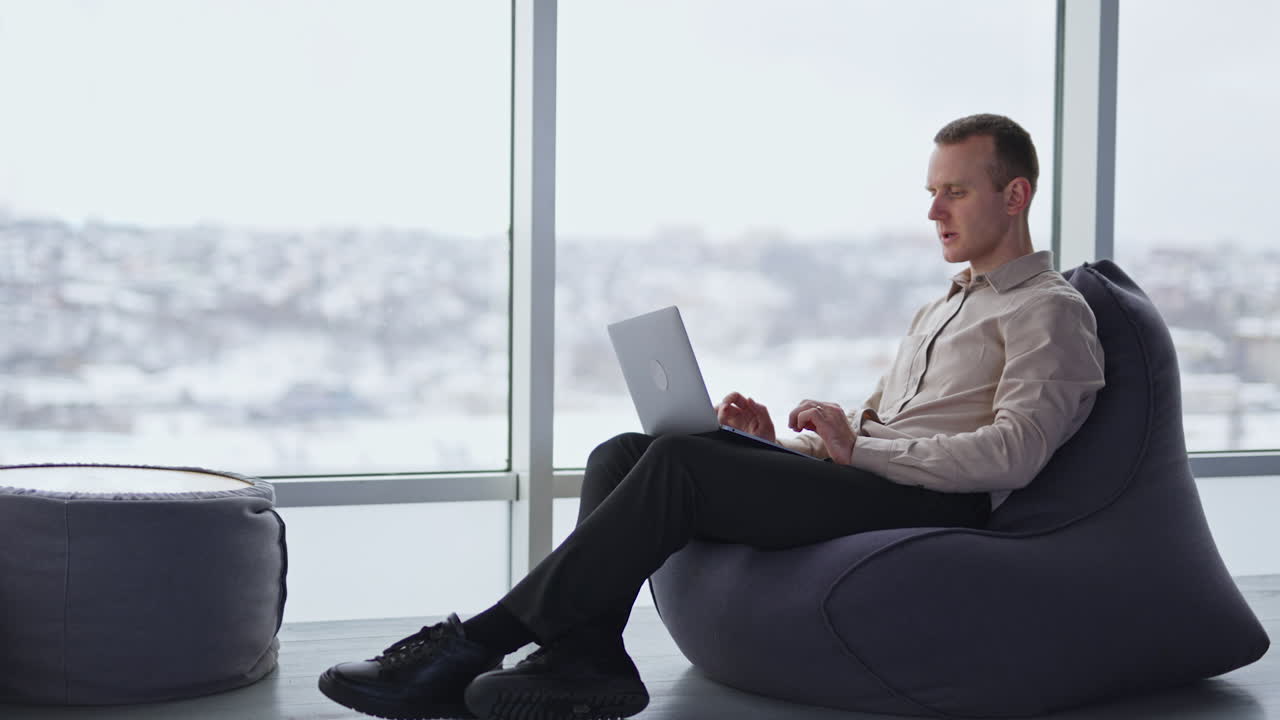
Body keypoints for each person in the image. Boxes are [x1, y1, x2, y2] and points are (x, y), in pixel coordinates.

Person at [317, 113, 1106, 720]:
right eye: (931, 191)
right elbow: (876, 431)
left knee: (679, 465)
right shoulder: (944, 306)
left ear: (1015, 195)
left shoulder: (1049, 312)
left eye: (955, 190)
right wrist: (781, 448)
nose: (934, 209)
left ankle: (471, 645)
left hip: (937, 505)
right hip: (876, 480)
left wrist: (850, 455)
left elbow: (1016, 454)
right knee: (629, 450)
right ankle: (588, 659)